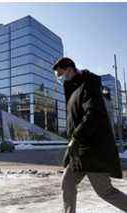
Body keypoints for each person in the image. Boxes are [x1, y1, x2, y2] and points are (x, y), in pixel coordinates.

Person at [53, 57, 127, 213]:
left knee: (105, 191)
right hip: (79, 152)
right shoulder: (75, 89)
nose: (59, 79)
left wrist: (76, 137)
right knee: (67, 183)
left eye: (60, 75)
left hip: (93, 151)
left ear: (69, 69)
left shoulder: (89, 85)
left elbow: (93, 114)